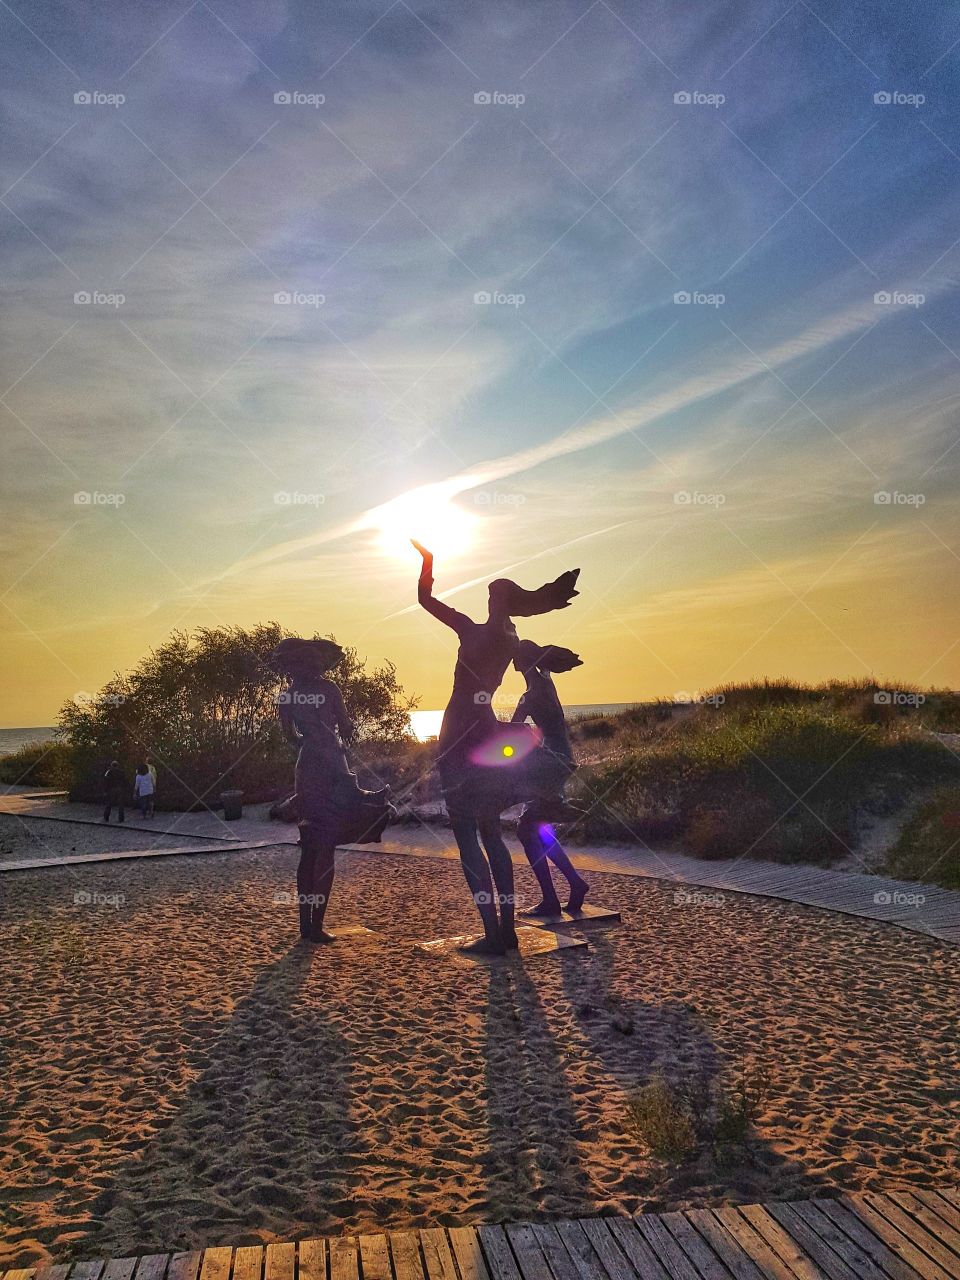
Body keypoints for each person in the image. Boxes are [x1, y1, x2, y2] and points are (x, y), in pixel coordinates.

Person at [412, 539, 580, 955]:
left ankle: (493, 933)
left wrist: (428, 562)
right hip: (485, 728)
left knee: (467, 834)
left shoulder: (472, 629)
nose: (487, 599)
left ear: (495, 600)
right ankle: (507, 932)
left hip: (459, 730)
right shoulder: (509, 638)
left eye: (490, 593)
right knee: (490, 831)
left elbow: (424, 599)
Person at [270, 637, 392, 944]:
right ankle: (316, 926)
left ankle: (306, 927)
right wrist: (336, 738)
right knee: (324, 849)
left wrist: (309, 743)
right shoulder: (329, 690)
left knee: (310, 843)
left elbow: (290, 737)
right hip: (332, 765)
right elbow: (347, 728)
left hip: (308, 766)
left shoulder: (287, 697)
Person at [511, 639, 590, 916]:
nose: (512, 663)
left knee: (525, 828)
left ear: (521, 662)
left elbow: (512, 729)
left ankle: (551, 899)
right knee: (539, 828)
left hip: (551, 764)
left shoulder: (530, 695)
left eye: (515, 658)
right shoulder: (547, 682)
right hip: (562, 759)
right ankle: (575, 884)